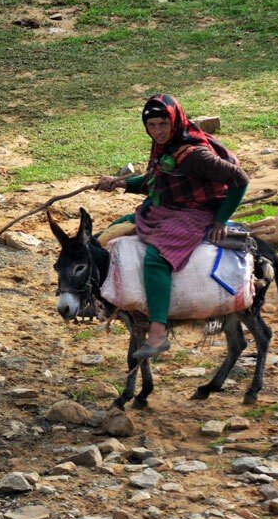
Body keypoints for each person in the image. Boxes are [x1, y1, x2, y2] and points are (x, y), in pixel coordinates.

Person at [94, 93, 249, 360]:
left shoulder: (194, 154)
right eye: (151, 126)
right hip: (164, 208)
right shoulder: (166, 148)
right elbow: (157, 180)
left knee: (157, 257)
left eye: (163, 124)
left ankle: (157, 333)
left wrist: (221, 220)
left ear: (174, 121)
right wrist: (119, 183)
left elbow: (240, 180)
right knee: (108, 232)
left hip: (194, 213)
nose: (158, 132)